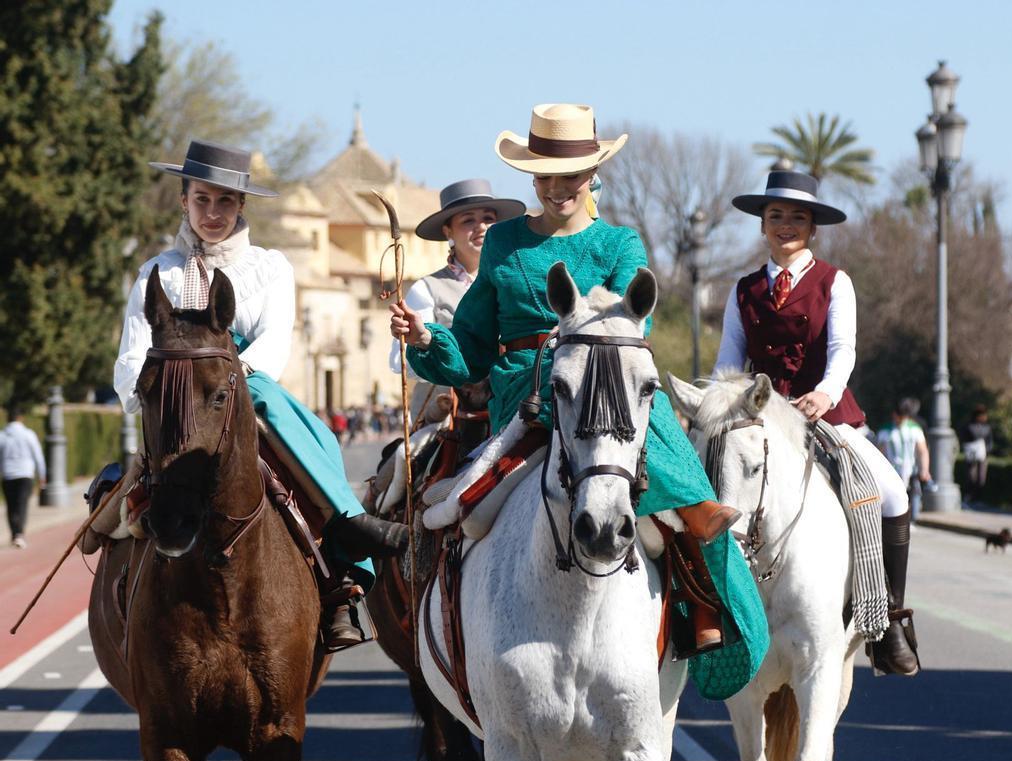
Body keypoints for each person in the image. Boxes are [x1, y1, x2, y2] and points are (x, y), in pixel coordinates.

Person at [389, 104, 767, 668]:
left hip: (606, 390)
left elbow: (632, 325)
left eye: (569, 175)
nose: (557, 187)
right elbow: (469, 348)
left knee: (676, 506)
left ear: (592, 176)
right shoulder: (504, 244)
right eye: (544, 176)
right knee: (459, 512)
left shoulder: (620, 245)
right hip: (526, 396)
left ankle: (703, 605)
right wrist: (425, 338)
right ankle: (449, 634)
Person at [97, 139, 409, 649]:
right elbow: (132, 352)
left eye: (224, 202)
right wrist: (154, 389)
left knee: (310, 434)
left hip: (243, 384)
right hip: (175, 396)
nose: (212, 212)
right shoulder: (156, 272)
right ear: (184, 201)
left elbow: (275, 340)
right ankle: (119, 590)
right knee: (131, 487)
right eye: (202, 200)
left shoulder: (270, 267)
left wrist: (227, 378)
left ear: (241, 206)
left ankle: (343, 559)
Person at [714, 169, 919, 676]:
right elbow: (728, 363)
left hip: (823, 415)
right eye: (776, 216)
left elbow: (843, 350)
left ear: (812, 228)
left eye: (797, 218)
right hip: (760, 420)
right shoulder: (742, 292)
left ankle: (888, 620)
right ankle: (701, 615)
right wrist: (720, 404)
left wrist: (825, 393)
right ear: (763, 224)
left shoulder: (835, 282)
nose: (785, 225)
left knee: (893, 496)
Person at [389, 179, 524, 418]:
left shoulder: (516, 282)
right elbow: (399, 360)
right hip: (445, 413)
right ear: (448, 231)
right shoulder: (427, 288)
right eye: (468, 220)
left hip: (512, 402)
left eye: (488, 219)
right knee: (413, 454)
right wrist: (439, 354)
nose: (480, 227)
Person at [876, 398, 931, 520]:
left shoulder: (915, 429)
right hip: (892, 472)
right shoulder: (886, 431)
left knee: (912, 495)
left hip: (910, 470)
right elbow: (880, 452)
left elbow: (922, 450)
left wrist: (924, 470)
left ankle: (911, 520)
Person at [0, 403, 46, 549]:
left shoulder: (2, 435)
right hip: (25, 474)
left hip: (8, 474)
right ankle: (19, 534)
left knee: (11, 506)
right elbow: (38, 456)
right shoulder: (28, 434)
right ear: (21, 418)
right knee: (22, 504)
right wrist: (42, 475)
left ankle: (15, 533)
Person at [960, 404, 993, 505]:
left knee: (981, 478)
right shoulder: (969, 426)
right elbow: (964, 438)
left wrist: (986, 450)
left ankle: (978, 498)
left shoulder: (987, 427)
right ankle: (969, 496)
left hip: (983, 455)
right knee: (971, 476)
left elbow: (989, 441)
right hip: (972, 454)